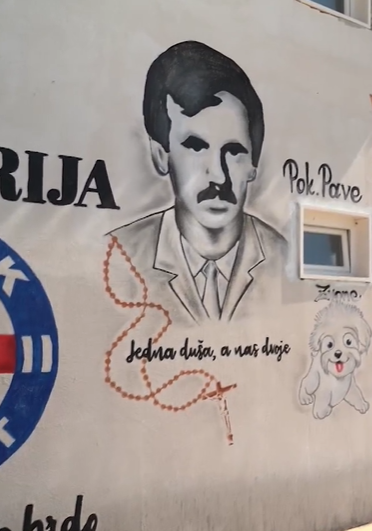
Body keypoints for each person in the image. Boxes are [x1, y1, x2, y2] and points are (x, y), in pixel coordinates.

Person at [108, 40, 288, 325]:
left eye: (234, 151)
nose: (218, 175)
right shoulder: (120, 255)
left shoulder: (283, 259)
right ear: (160, 155)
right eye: (195, 146)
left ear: (253, 163)